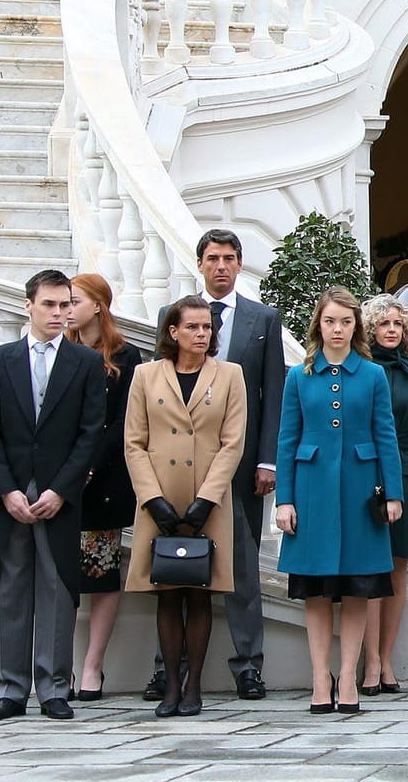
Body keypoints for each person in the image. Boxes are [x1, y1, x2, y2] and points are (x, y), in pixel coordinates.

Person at [147, 229, 284, 704]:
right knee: (173, 568)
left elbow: (273, 394)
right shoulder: (174, 315)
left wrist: (267, 460)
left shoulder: (263, 318)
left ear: (240, 264)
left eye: (229, 258)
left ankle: (248, 666)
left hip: (243, 466)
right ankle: (167, 668)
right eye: (212, 258)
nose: (221, 266)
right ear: (200, 263)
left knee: (242, 568)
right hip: (177, 468)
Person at [0, 269, 107, 723]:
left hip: (59, 493)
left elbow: (91, 433)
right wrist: (7, 491)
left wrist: (62, 489)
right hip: (11, 493)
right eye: (49, 305)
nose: (59, 313)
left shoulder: (86, 363)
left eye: (65, 304)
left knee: (56, 587)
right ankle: (10, 689)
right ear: (29, 305)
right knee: (10, 588)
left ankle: (54, 688)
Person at [275, 288, 404, 715]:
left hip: (361, 492)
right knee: (316, 592)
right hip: (311, 493)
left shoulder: (372, 375)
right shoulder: (299, 376)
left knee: (356, 589)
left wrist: (394, 494)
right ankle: (319, 677)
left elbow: (387, 437)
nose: (338, 329)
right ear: (319, 324)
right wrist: (285, 499)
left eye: (346, 322)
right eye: (330, 321)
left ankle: (347, 675)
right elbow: (286, 440)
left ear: (356, 327)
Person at [122, 295, 246, 718]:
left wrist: (206, 500)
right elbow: (134, 442)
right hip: (158, 498)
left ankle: (194, 685)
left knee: (200, 593)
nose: (201, 334)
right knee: (167, 594)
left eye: (207, 327)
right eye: (192, 327)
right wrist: (151, 498)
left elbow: (233, 443)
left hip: (207, 501)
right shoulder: (145, 375)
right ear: (172, 332)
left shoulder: (230, 375)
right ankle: (170, 684)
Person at [64, 273, 141, 702]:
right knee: (64, 577)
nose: (66, 308)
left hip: (107, 477)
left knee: (102, 573)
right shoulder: (63, 352)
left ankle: (93, 666)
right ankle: (64, 667)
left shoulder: (125, 355)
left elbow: (124, 421)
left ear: (98, 305)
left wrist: (91, 465)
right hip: (64, 479)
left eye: (74, 300)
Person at [360, 293, 408, 696]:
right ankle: (369, 661)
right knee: (368, 570)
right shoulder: (358, 369)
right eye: (382, 323)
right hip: (363, 474)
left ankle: (387, 659)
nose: (391, 330)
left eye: (397, 324)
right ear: (369, 329)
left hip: (404, 478)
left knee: (395, 570)